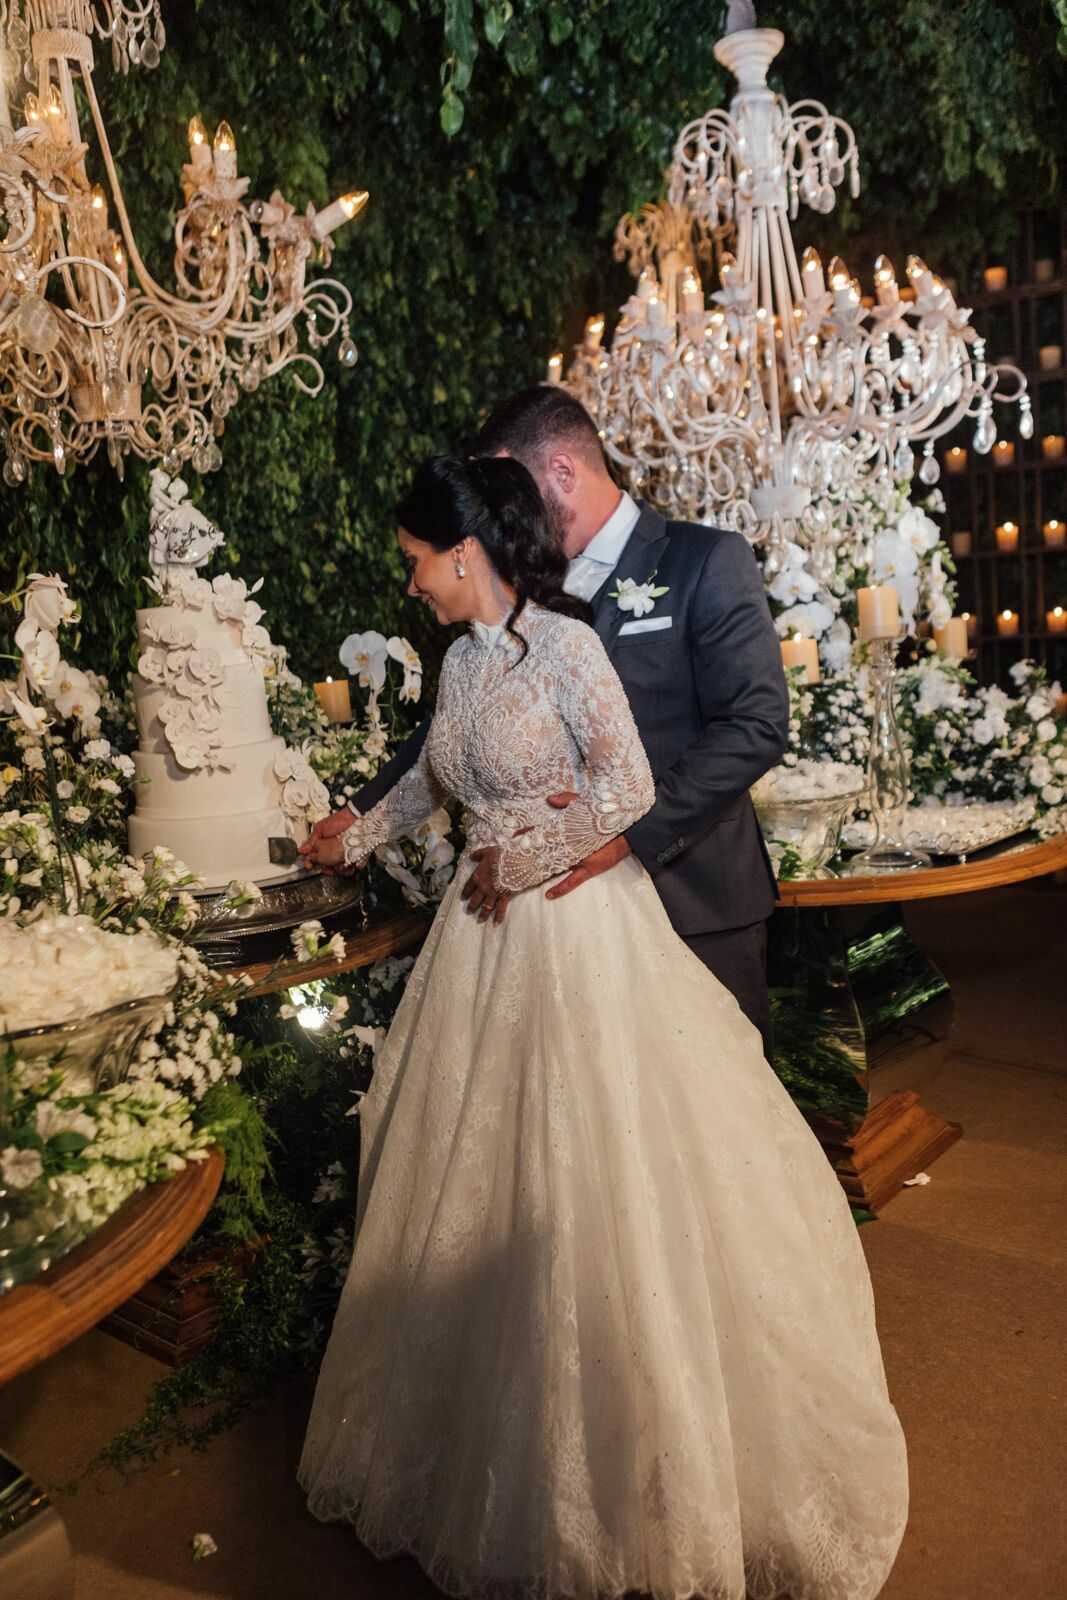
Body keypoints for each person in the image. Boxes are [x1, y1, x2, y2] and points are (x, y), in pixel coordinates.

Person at [298, 454, 908, 1600]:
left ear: (466, 552)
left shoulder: (568, 647)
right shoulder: (458, 663)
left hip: (576, 933)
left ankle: (635, 1470)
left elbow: (625, 787)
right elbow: (431, 784)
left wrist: (526, 856)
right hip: (479, 948)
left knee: (596, 1178)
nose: (412, 580)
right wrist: (353, 829)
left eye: (418, 560)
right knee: (475, 1179)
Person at [308, 387, 789, 1059]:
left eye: (510, 483)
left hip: (696, 895)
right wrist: (360, 815)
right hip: (548, 924)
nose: (501, 506)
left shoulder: (703, 559)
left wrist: (624, 836)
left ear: (561, 470)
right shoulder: (514, 585)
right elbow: (462, 726)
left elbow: (754, 724)